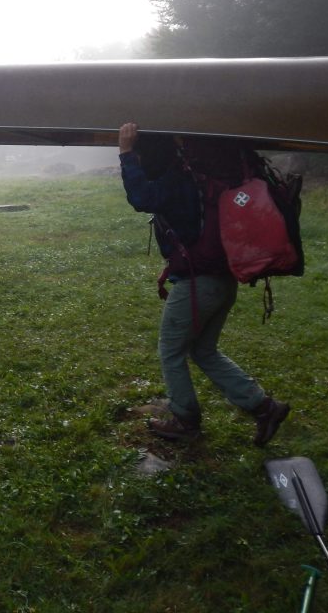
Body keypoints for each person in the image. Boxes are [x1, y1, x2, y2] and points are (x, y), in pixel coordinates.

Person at [118, 122, 289, 446]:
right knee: (203, 350)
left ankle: (185, 420)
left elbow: (141, 197)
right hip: (220, 280)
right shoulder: (195, 178)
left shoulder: (175, 181)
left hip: (199, 285)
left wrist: (126, 153)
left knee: (171, 350)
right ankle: (264, 408)